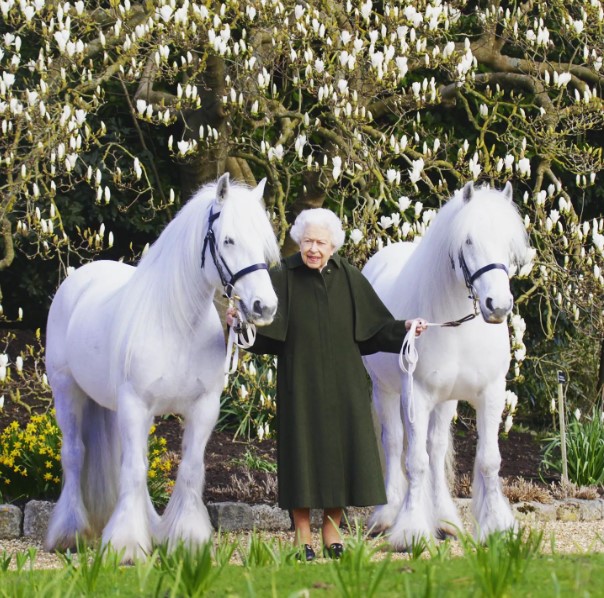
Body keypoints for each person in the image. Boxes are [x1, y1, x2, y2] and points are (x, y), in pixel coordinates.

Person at [228, 208, 427, 561]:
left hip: (344, 383)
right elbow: (262, 332)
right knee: (301, 455)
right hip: (299, 383)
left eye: (320, 242)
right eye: (307, 241)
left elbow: (376, 328)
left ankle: (332, 527)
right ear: (298, 242)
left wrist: (407, 327)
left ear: (333, 245)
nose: (313, 249)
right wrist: (238, 323)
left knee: (341, 454)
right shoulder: (283, 276)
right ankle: (302, 531)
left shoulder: (349, 277)